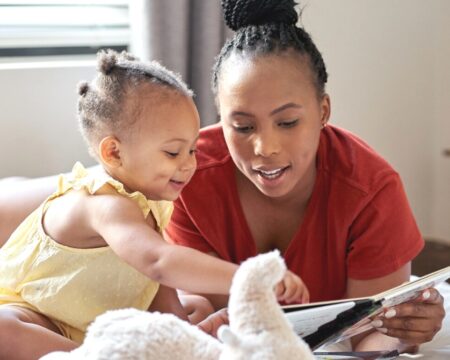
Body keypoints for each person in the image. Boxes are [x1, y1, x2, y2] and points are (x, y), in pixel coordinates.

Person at [164, 0, 446, 353]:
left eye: (287, 122)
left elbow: (365, 337)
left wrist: (403, 332)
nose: (265, 147)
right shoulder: (185, 177)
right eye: (242, 126)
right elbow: (200, 311)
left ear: (323, 111)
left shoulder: (371, 191)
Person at [0, 50, 308, 360]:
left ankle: (110, 352)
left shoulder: (147, 211)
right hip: (41, 317)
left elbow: (160, 295)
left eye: (192, 151)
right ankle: (95, 354)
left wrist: (191, 334)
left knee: (197, 305)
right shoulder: (102, 203)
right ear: (114, 153)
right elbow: (160, 264)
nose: (188, 165)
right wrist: (245, 277)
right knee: (4, 328)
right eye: (173, 153)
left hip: (96, 322)